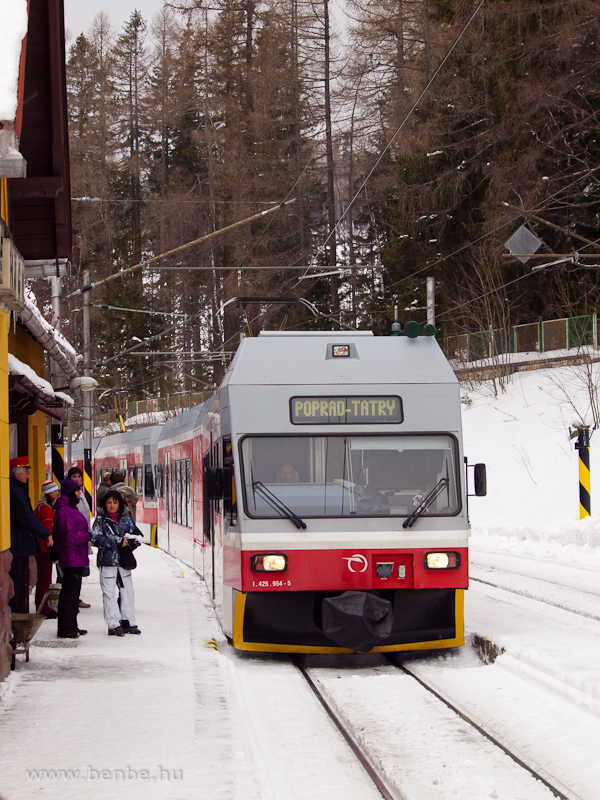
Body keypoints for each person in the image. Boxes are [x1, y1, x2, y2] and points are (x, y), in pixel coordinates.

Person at [91, 490, 143, 636]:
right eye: (109, 502)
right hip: (107, 562)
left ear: (120, 504)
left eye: (115, 502)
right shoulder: (100, 521)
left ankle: (128, 621)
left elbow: (138, 536)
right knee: (109, 593)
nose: (112, 505)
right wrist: (119, 541)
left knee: (128, 591)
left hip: (123, 562)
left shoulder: (126, 521)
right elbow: (95, 539)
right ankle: (113, 623)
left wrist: (130, 543)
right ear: (104, 504)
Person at [8, 456, 53, 613]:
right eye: (26, 470)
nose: (28, 474)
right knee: (14, 584)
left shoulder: (15, 489)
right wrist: (45, 533)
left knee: (17, 583)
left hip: (18, 544)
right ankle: (12, 622)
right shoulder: (15, 491)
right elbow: (26, 517)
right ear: (17, 473)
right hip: (17, 545)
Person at [53, 478, 90, 639]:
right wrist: (87, 535)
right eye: (76, 490)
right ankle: (66, 628)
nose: (79, 493)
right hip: (71, 558)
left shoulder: (68, 509)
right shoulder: (65, 512)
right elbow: (69, 537)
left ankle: (71, 625)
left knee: (73, 594)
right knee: (69, 593)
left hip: (76, 557)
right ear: (69, 492)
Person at [66, 466, 92, 608]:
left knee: (78, 574)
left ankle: (76, 598)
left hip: (82, 539)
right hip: (75, 540)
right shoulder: (71, 498)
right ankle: (71, 601)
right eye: (74, 477)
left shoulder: (81, 495)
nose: (77, 479)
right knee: (70, 574)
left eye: (78, 477)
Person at [33, 480, 60, 618]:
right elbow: (48, 529)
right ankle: (43, 608)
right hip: (44, 549)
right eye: (55, 491)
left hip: (41, 548)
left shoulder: (41, 508)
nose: (57, 493)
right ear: (49, 494)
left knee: (44, 578)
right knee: (45, 579)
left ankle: (43, 606)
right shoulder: (46, 509)